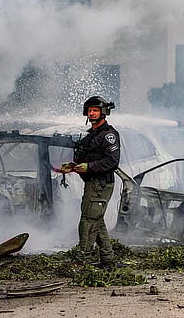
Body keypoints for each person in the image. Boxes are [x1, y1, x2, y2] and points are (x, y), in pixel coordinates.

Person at [60, 96, 120, 269]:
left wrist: (89, 166)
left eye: (95, 110)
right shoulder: (92, 136)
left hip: (101, 184)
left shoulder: (108, 136)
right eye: (90, 111)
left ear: (103, 112)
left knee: (88, 221)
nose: (92, 114)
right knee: (96, 220)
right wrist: (72, 166)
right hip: (92, 183)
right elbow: (85, 156)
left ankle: (82, 260)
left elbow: (112, 161)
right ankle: (108, 260)